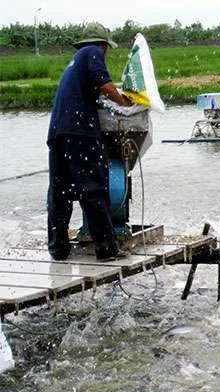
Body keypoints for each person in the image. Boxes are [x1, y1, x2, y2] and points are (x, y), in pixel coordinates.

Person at [47, 22, 132, 262]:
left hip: (58, 133)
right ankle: (106, 249)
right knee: (92, 188)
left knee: (59, 192)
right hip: (80, 132)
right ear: (104, 45)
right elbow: (105, 85)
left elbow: (91, 93)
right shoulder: (92, 52)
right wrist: (125, 102)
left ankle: (58, 249)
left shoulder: (74, 62)